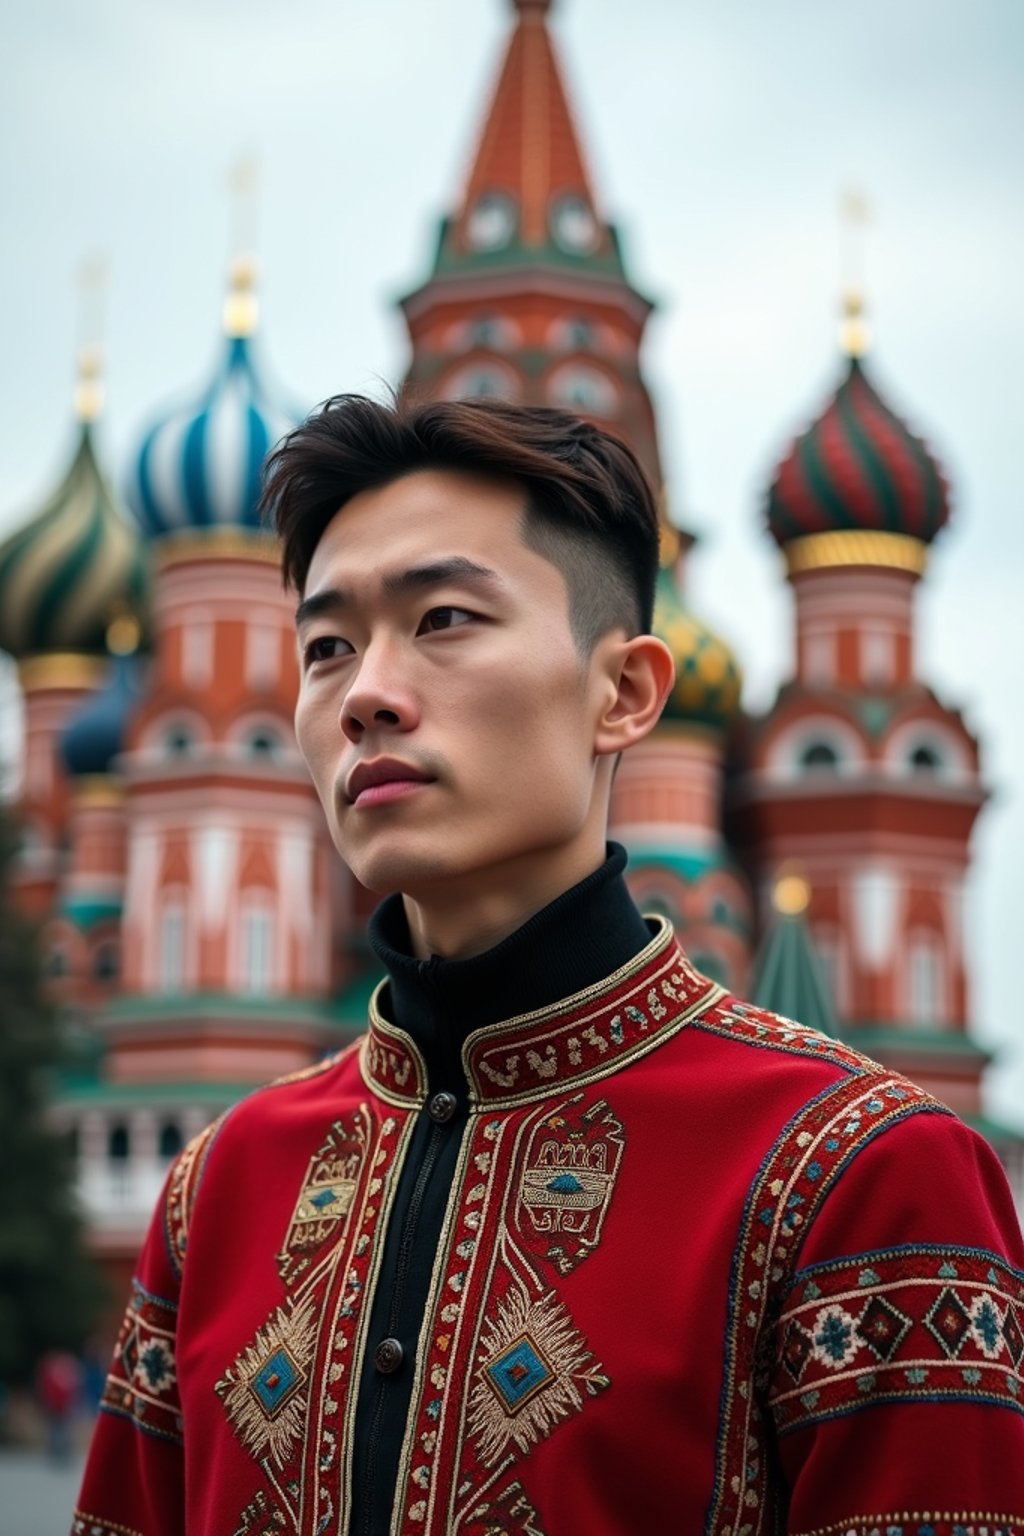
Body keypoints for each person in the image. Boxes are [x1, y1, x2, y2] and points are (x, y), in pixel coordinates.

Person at [74, 397, 1024, 1536]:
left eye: (444, 618)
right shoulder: (218, 1191)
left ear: (622, 693)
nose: (365, 690)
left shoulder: (860, 1179)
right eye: (326, 646)